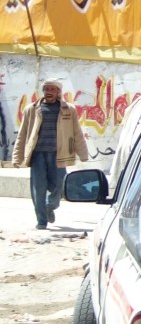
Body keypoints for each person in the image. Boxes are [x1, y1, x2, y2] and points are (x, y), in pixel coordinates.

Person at [12, 79, 89, 229]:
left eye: (52, 89)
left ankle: (50, 206)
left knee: (59, 186)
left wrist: (83, 153)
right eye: (46, 89)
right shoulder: (32, 109)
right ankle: (41, 220)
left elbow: (77, 133)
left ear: (58, 92)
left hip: (59, 155)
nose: (48, 92)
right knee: (38, 188)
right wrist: (17, 157)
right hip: (37, 155)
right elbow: (22, 134)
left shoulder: (68, 109)